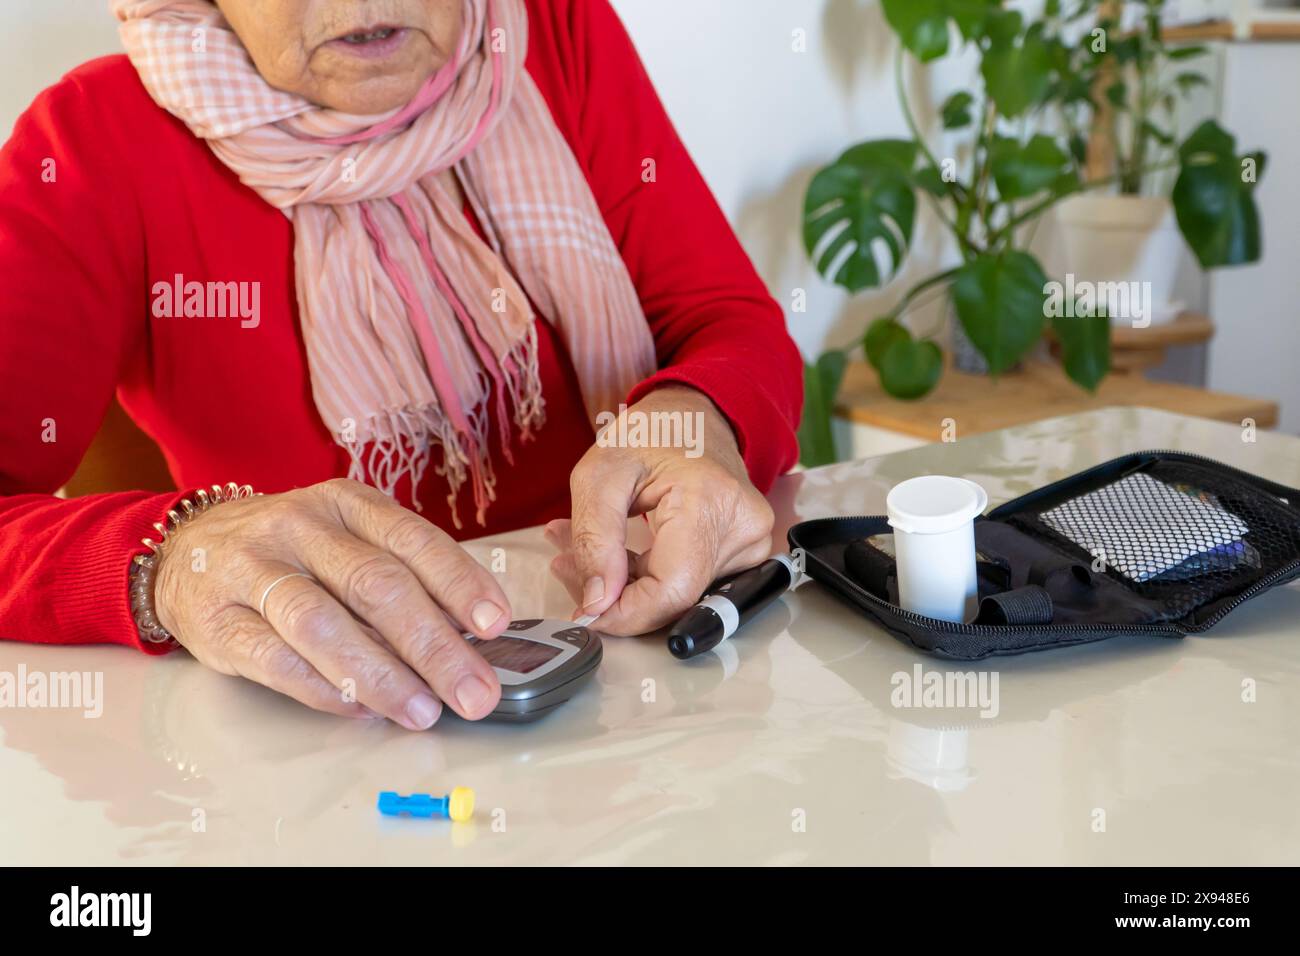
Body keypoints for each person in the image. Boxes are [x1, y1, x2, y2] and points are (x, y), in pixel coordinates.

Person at [0, 0, 802, 730]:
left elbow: (724, 320)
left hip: (638, 674)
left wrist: (701, 415)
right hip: (327, 737)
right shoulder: (90, 140)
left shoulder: (551, 31)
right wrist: (170, 562)